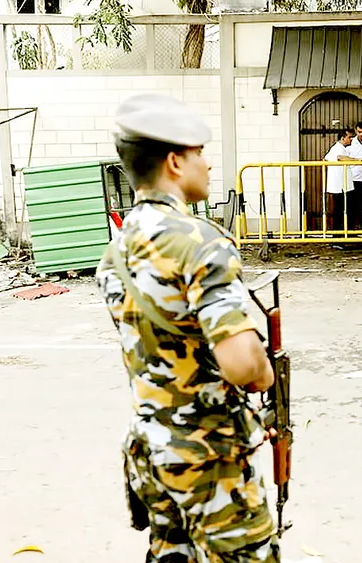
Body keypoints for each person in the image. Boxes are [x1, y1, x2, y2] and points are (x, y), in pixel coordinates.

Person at [96, 94, 281, 563]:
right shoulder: (200, 241)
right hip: (208, 456)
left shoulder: (117, 249)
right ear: (176, 162)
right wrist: (264, 374)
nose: (209, 164)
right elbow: (241, 364)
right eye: (200, 153)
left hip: (153, 451)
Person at [324, 128, 362, 232]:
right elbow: (340, 157)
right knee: (340, 212)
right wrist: (358, 160)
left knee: (348, 210)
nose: (351, 139)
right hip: (340, 187)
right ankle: (338, 237)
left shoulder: (341, 148)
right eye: (349, 137)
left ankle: (347, 234)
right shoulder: (337, 148)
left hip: (344, 185)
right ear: (342, 138)